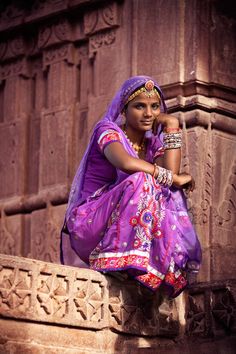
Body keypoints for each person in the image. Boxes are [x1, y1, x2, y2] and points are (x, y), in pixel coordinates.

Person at [60, 75, 201, 298]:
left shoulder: (152, 144)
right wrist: (172, 178)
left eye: (154, 107)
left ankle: (155, 264)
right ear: (123, 110)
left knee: (167, 190)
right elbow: (125, 163)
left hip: (119, 219)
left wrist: (172, 126)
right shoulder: (107, 130)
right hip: (89, 221)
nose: (148, 114)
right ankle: (119, 257)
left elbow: (171, 176)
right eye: (139, 106)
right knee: (143, 180)